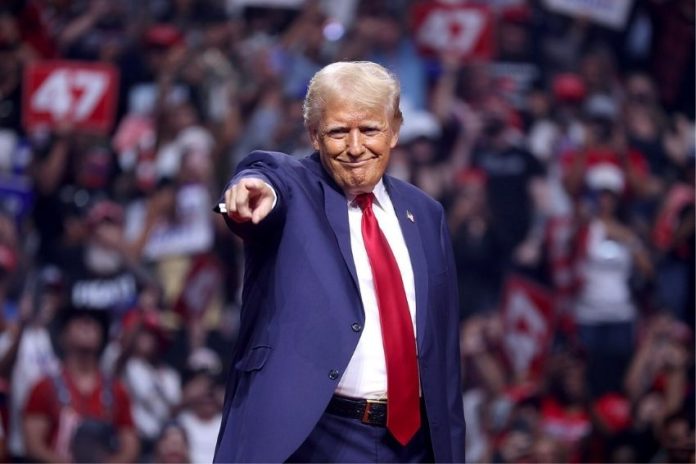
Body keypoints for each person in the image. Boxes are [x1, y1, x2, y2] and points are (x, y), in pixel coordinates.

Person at [214, 61, 465, 462]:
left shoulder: (427, 213)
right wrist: (250, 192)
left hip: (415, 446)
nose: (354, 147)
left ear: (395, 129)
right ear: (314, 135)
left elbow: (443, 354)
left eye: (369, 130)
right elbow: (263, 177)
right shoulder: (293, 188)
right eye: (337, 131)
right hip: (317, 438)